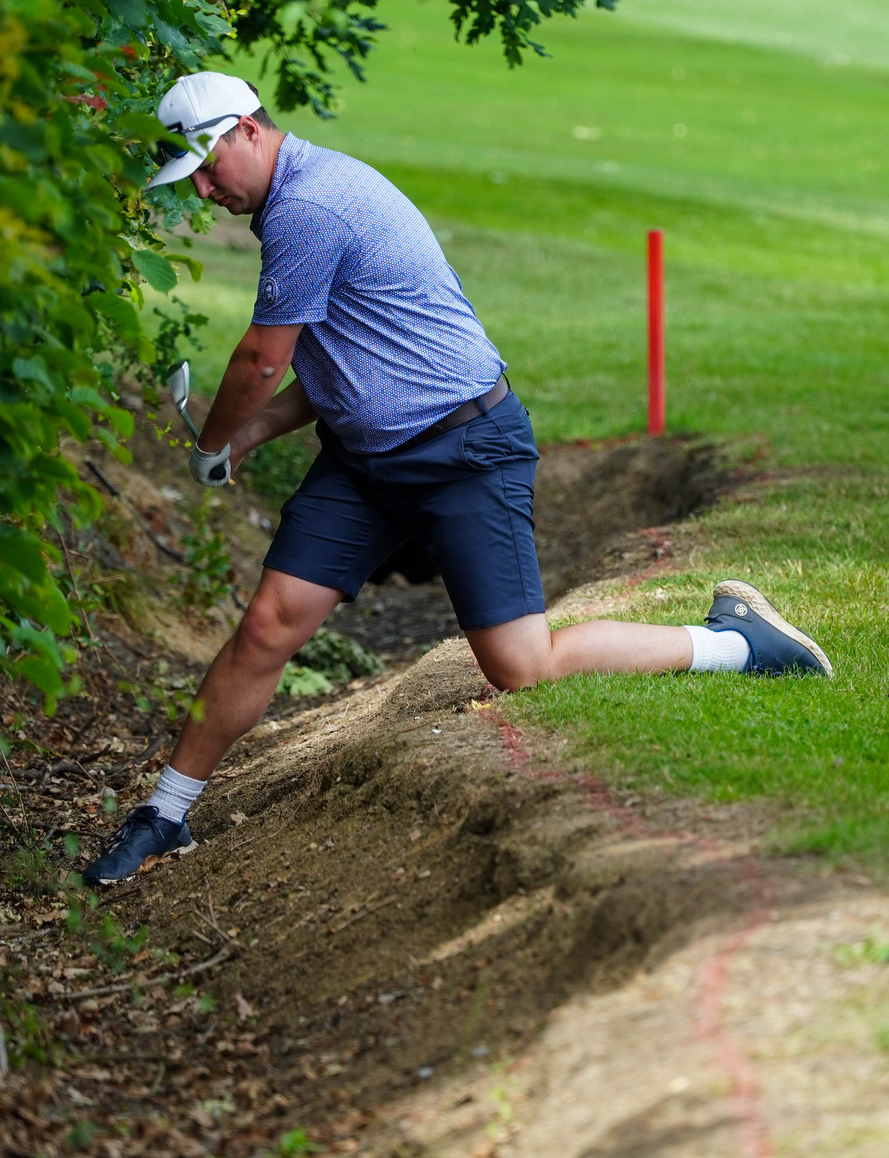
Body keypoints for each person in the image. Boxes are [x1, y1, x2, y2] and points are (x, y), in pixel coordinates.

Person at [82, 71, 832, 885]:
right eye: (189, 178)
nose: (202, 190)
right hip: (366, 460)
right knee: (268, 626)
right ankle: (165, 814)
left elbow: (263, 359)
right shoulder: (295, 199)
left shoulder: (308, 207)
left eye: (205, 167)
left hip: (464, 448)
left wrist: (214, 438)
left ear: (249, 130)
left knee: (520, 666)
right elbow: (345, 357)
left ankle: (736, 642)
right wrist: (254, 434)